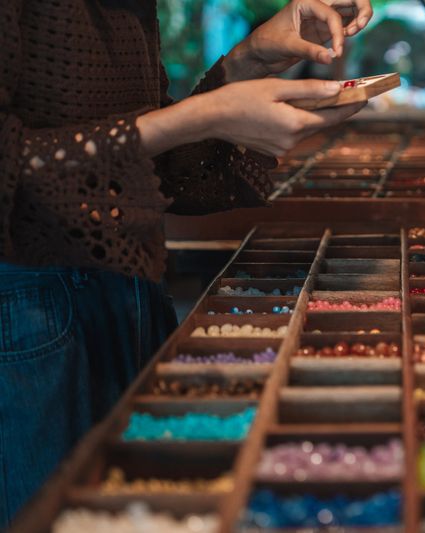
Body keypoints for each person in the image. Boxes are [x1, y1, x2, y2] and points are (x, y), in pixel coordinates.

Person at [0, 0, 372, 525]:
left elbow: (149, 165)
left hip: (128, 290)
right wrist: (207, 116)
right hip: (28, 318)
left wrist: (249, 60)